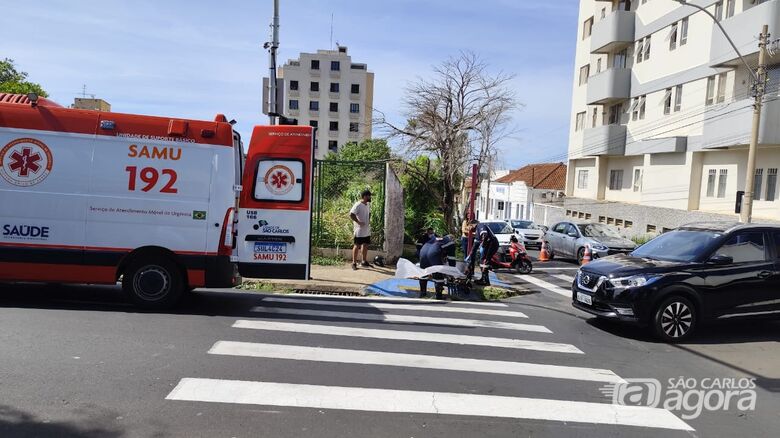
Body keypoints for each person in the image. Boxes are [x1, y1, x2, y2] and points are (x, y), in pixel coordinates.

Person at [467, 219, 499, 285]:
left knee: (484, 261)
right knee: (482, 260)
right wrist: (470, 254)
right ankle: (483, 278)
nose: (469, 229)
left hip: (491, 243)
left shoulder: (480, 225)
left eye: (469, 226)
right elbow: (475, 244)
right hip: (488, 244)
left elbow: (485, 236)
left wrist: (483, 246)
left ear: (473, 224)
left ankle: (485, 281)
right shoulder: (477, 231)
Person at [349, 189, 372, 270]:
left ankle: (364, 261)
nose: (370, 197)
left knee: (365, 244)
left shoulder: (368, 204)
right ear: (365, 196)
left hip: (366, 230)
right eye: (369, 195)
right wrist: (358, 222)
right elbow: (351, 214)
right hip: (359, 230)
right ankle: (354, 263)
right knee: (357, 245)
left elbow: (369, 213)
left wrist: (368, 220)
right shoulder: (358, 205)